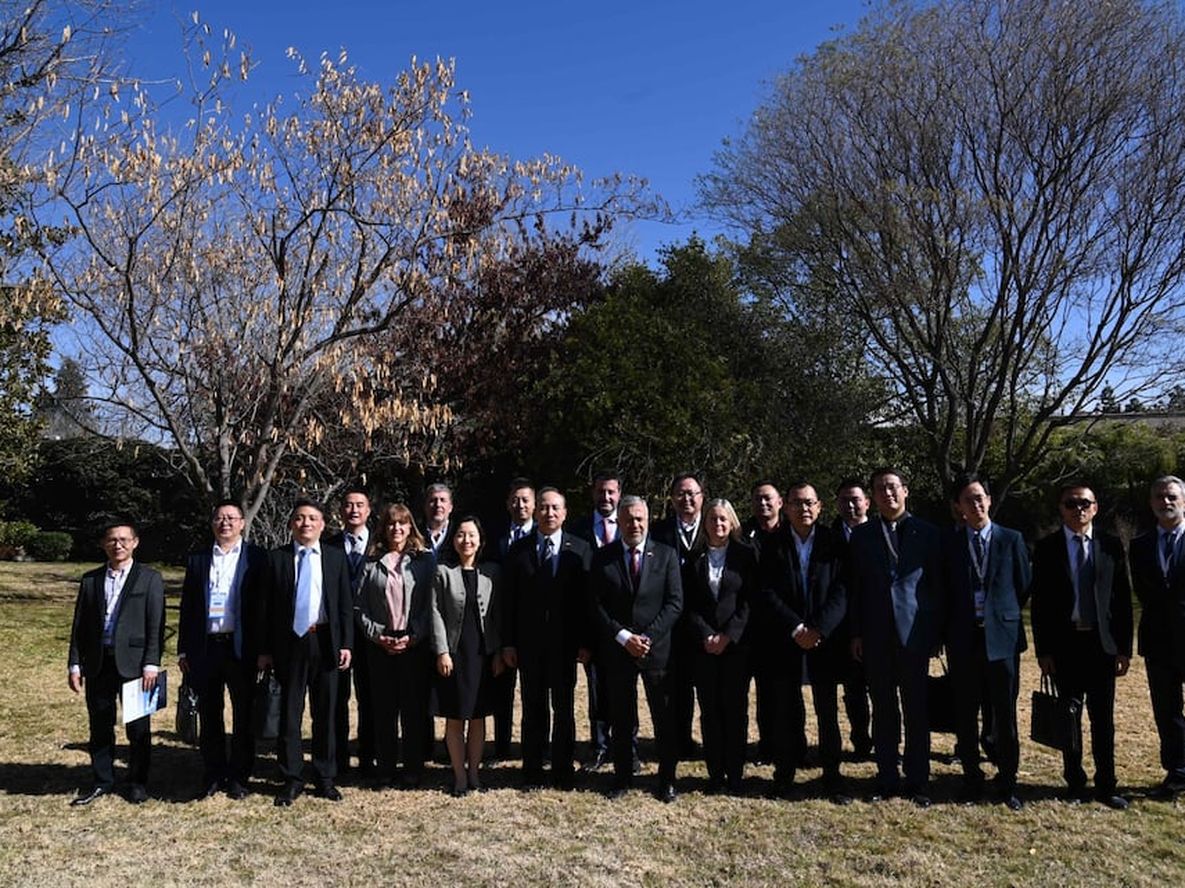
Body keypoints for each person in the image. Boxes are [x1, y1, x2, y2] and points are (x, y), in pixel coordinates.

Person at [1031, 482, 1133, 810]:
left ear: (1095, 507)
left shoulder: (1111, 545)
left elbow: (1122, 600)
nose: (1079, 509)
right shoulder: (1046, 548)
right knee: (1069, 717)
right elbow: (1040, 604)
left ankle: (1106, 785)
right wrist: (1043, 651)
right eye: (1071, 503)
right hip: (1065, 645)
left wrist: (1124, 648)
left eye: (1085, 503)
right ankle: (1074, 782)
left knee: (1103, 720)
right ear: (1061, 509)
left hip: (1101, 646)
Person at [849, 468, 944, 807]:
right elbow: (855, 587)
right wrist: (856, 632)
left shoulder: (928, 533)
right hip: (876, 633)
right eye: (879, 489)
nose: (887, 493)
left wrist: (936, 634)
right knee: (883, 708)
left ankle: (918, 780)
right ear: (872, 497)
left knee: (916, 709)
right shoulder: (862, 535)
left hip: (915, 633)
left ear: (905, 490)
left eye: (892, 487)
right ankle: (887, 776)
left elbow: (938, 586)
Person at [757, 483, 851, 804]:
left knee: (827, 711)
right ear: (786, 507)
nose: (804, 509)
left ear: (820, 506)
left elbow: (842, 590)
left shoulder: (834, 543)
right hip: (786, 638)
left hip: (825, 640)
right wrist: (796, 627)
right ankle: (783, 776)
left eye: (809, 503)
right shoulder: (772, 544)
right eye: (797, 503)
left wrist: (819, 628)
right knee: (785, 711)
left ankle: (832, 777)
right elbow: (766, 591)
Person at [942, 474, 1030, 811]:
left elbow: (1022, 585)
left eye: (980, 497)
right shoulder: (949, 543)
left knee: (1004, 714)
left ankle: (1008, 782)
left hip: (1002, 639)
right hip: (964, 639)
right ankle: (971, 779)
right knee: (965, 714)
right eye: (968, 500)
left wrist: (1000, 615)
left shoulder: (1011, 539)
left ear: (989, 500)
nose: (975, 504)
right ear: (959, 507)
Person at [259, 499, 354, 807]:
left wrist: (346, 643)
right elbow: (266, 608)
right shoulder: (277, 558)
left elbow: (344, 604)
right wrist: (265, 650)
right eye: (300, 518)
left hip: (325, 640)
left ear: (323, 524)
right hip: (290, 643)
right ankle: (292, 777)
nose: (306, 523)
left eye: (313, 518)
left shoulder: (335, 558)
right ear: (291, 524)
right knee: (290, 712)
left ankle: (325, 776)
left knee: (326, 712)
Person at [591, 494, 684, 802]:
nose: (635, 524)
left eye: (640, 519)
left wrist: (646, 638)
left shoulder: (666, 555)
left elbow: (675, 603)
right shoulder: (603, 557)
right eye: (628, 519)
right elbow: (596, 604)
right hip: (619, 651)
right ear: (619, 521)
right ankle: (622, 778)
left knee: (664, 718)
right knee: (621, 718)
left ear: (648, 520)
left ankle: (667, 780)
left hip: (656, 651)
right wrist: (623, 637)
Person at [67, 519, 165, 806]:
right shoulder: (91, 579)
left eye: (124, 539)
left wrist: (151, 662)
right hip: (98, 662)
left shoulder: (150, 578)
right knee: (100, 724)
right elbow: (80, 625)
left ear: (135, 543)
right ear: (103, 544)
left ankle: (137, 782)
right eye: (112, 540)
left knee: (138, 727)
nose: (118, 545)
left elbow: (156, 624)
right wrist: (75, 663)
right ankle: (103, 780)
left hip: (136, 664)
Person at [501, 487, 592, 788]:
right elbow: (509, 601)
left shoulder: (580, 549)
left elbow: (586, 603)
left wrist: (585, 642)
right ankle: (532, 769)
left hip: (565, 646)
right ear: (535, 511)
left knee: (563, 709)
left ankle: (563, 769)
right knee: (533, 709)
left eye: (555, 508)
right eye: (543, 507)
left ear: (565, 513)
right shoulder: (519, 550)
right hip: (529, 646)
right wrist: (509, 642)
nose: (549, 513)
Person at [177, 500, 268, 800]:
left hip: (242, 648)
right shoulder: (199, 560)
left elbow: (265, 608)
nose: (225, 523)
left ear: (242, 523)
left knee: (244, 715)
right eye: (219, 518)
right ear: (212, 523)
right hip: (206, 648)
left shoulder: (258, 558)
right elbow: (188, 607)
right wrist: (183, 650)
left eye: (231, 518)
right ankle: (213, 773)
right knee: (209, 713)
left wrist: (264, 649)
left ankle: (240, 775)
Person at [355, 502, 435, 788]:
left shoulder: (424, 561)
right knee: (383, 710)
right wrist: (378, 635)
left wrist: (414, 636)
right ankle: (386, 767)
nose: (396, 528)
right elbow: (359, 607)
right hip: (380, 645)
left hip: (414, 644)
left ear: (410, 526)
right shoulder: (370, 562)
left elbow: (431, 605)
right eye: (391, 523)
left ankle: (413, 767)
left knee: (413, 710)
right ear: (383, 528)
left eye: (402, 523)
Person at [431, 516, 504, 796]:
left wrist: (497, 652)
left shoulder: (492, 573)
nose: (466, 540)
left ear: (480, 540)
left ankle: (474, 773)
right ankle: (459, 776)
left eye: (472, 535)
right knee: (455, 716)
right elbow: (435, 612)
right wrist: (442, 651)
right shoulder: (442, 572)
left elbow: (497, 616)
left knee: (477, 716)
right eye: (461, 535)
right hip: (454, 655)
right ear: (453, 540)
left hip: (481, 655)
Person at [684, 498, 752, 794]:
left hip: (736, 647)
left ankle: (735, 774)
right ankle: (715, 774)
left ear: (732, 522)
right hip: (704, 648)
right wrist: (706, 634)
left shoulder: (746, 555)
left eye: (723, 519)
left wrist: (728, 635)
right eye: (712, 519)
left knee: (735, 711)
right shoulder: (694, 557)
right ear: (705, 523)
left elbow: (750, 601)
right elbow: (688, 603)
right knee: (710, 711)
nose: (718, 524)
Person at [568, 470, 634, 773]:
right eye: (600, 491)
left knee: (626, 690)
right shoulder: (577, 530)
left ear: (619, 493)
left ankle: (628, 747)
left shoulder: (632, 525)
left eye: (611, 491)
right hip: (592, 628)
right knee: (597, 691)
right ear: (592, 493)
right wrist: (582, 637)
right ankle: (599, 746)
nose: (605, 497)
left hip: (627, 627)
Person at [1131, 475, 1185, 799]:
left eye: (1172, 497)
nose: (1166, 502)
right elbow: (1143, 591)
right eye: (1160, 497)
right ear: (1151, 503)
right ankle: (1177, 772)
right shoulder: (1140, 545)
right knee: (1167, 711)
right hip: (1158, 640)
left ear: (1183, 501)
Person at [651, 472, 707, 760]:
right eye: (680, 494)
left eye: (692, 493)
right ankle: (679, 741)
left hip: (706, 622)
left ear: (702, 497)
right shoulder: (658, 532)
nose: (687, 499)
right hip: (671, 625)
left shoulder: (713, 526)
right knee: (676, 688)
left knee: (707, 687)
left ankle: (713, 742)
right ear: (672, 499)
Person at [324, 487, 375, 776]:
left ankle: (368, 757)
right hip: (337, 633)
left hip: (370, 633)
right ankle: (338, 759)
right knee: (336, 698)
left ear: (368, 510)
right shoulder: (327, 546)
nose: (353, 510)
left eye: (359, 505)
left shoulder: (380, 545)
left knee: (370, 697)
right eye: (348, 505)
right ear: (340, 511)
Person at [490, 478, 536, 759]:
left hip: (532, 627)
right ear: (508, 503)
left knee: (534, 694)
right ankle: (502, 747)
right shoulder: (494, 535)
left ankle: (533, 748)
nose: (520, 505)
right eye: (515, 500)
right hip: (501, 622)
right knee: (502, 691)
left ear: (534, 504)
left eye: (525, 500)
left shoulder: (542, 536)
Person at [742, 480, 785, 764]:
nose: (763, 503)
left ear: (780, 502)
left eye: (768, 498)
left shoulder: (791, 531)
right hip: (751, 626)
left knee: (788, 692)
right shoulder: (742, 534)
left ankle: (794, 746)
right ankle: (767, 746)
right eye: (757, 499)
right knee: (764, 692)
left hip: (785, 624)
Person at [832, 478, 873, 760]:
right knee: (853, 689)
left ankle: (887, 743)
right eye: (844, 500)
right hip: (844, 627)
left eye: (855, 500)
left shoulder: (882, 533)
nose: (850, 505)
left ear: (867, 502)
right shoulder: (830, 537)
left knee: (884, 691)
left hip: (878, 624)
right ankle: (861, 741)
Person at [423, 483, 457, 566]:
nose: (438, 504)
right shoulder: (415, 534)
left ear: (450, 507)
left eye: (442, 500)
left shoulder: (458, 534)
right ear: (425, 506)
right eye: (433, 500)